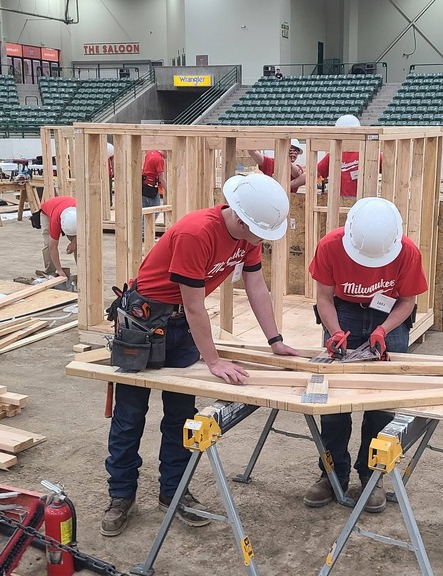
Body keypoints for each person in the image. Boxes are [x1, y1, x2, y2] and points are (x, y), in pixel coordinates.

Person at [103, 173, 299, 537]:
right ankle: (120, 496)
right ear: (241, 218)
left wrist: (275, 338)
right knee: (130, 415)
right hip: (145, 321)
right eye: (261, 233)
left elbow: (255, 284)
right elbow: (194, 306)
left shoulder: (247, 234)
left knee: (181, 416)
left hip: (179, 326)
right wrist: (213, 361)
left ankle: (174, 493)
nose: (263, 241)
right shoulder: (198, 232)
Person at [304, 197, 428, 512]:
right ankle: (332, 475)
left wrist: (383, 331)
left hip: (388, 318)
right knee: (334, 402)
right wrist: (334, 332)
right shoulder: (331, 246)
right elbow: (323, 297)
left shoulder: (408, 252)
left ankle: (372, 476)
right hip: (342, 312)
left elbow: (407, 302)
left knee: (381, 402)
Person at [293, 114, 379, 197]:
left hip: (362, 203)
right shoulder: (333, 155)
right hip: (339, 203)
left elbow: (389, 168)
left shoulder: (368, 153)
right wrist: (288, 186)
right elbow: (311, 174)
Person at [32, 196, 76, 278]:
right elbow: (53, 247)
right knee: (48, 244)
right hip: (47, 212)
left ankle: (82, 271)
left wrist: (74, 243)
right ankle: (50, 273)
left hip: (66, 207)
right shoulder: (55, 221)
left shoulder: (83, 214)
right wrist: (59, 269)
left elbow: (83, 233)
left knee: (80, 244)